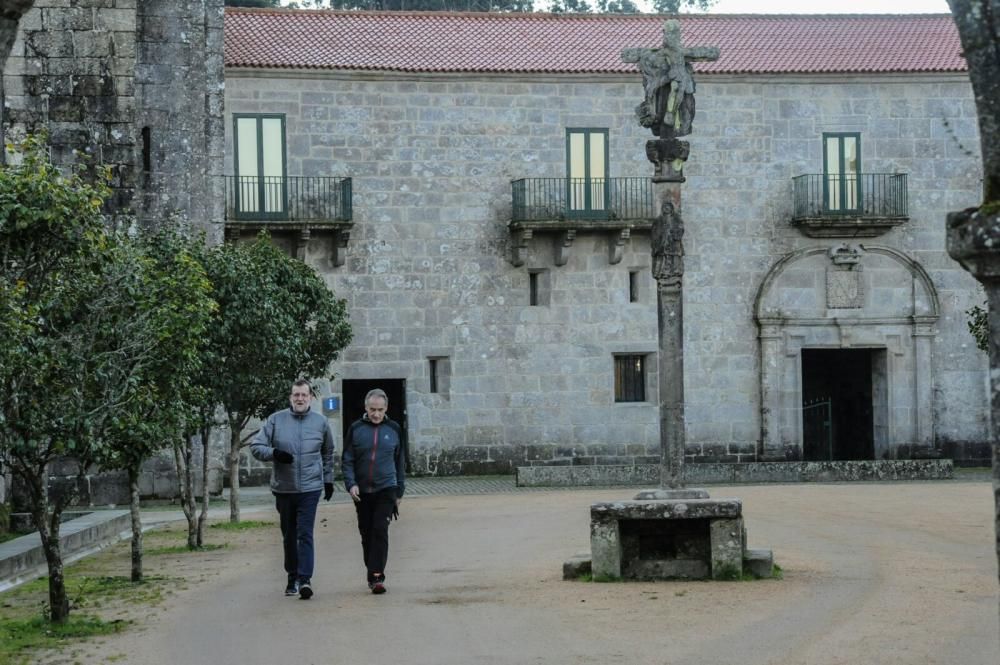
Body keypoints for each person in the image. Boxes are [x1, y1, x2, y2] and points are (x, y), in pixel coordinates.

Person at [250, 379, 335, 600]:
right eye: (296, 395)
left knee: (305, 533)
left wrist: (328, 480)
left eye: (304, 395)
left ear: (310, 398)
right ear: (290, 397)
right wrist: (275, 453)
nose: (300, 398)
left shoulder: (321, 422)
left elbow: (328, 453)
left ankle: (305, 579)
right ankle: (292, 576)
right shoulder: (276, 420)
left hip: (310, 488)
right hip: (284, 489)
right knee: (289, 535)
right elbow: (257, 447)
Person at [342, 388, 405, 595]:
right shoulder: (356, 429)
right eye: (372, 409)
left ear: (386, 408)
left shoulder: (394, 429)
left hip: (386, 488)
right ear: (366, 408)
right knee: (367, 533)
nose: (376, 414)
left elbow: (400, 461)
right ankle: (372, 571)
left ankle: (377, 575)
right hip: (362, 491)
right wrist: (351, 483)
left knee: (380, 529)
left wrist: (399, 492)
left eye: (379, 409)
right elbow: (348, 459)